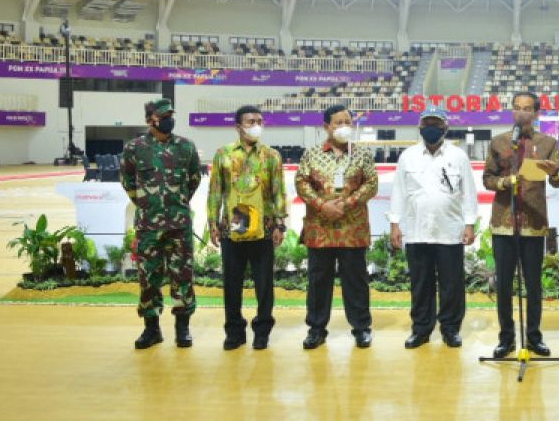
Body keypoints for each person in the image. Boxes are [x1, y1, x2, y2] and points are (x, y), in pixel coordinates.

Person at [482, 91, 559, 360]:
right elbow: (487, 178)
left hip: (533, 222)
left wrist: (554, 172)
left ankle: (533, 337)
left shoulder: (548, 143)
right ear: (512, 111)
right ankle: (506, 339)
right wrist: (504, 182)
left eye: (528, 109)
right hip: (504, 223)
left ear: (536, 113)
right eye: (517, 108)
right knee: (505, 285)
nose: (522, 113)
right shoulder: (499, 142)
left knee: (533, 285)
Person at [389, 107, 477, 349]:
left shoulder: (458, 156)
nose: (431, 128)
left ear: (446, 127)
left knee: (452, 284)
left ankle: (450, 329)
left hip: (449, 230)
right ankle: (421, 329)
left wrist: (470, 223)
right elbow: (398, 191)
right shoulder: (407, 156)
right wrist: (394, 223)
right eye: (427, 123)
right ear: (419, 127)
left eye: (436, 123)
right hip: (417, 230)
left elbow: (469, 192)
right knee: (420, 283)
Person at [120, 98, 202, 350]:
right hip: (148, 226)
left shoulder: (186, 147)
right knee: (148, 277)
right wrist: (148, 204)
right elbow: (128, 182)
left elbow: (194, 179)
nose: (168, 120)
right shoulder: (134, 148)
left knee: (183, 276)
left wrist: (176, 203)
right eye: (162, 116)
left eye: (170, 115)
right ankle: (151, 329)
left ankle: (182, 328)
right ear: (150, 120)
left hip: (179, 225)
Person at [296, 104, 379, 350]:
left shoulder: (362, 154)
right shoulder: (311, 154)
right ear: (326, 127)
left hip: (352, 229)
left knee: (356, 280)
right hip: (320, 229)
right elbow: (302, 183)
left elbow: (371, 184)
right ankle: (316, 328)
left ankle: (361, 328)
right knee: (318, 281)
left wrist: (347, 204)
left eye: (347, 122)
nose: (343, 127)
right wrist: (323, 206)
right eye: (338, 123)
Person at [207, 105, 288, 351]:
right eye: (250, 121)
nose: (256, 125)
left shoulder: (271, 155)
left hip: (263, 228)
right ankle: (234, 332)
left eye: (259, 121)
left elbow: (278, 192)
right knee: (232, 284)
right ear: (238, 126)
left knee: (264, 285)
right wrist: (212, 222)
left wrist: (280, 224)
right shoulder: (223, 154)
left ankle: (262, 331)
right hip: (232, 228)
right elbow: (215, 192)